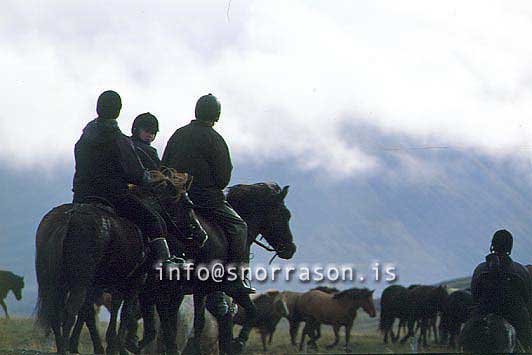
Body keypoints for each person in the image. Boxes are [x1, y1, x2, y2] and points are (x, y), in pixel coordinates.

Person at [72, 90, 186, 275]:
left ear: (98, 108)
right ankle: (165, 263)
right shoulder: (119, 139)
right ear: (118, 111)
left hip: (81, 196)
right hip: (113, 197)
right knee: (152, 219)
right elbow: (136, 174)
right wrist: (153, 179)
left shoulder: (84, 138)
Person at [162, 93, 255, 294]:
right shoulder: (215, 139)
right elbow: (223, 178)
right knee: (239, 227)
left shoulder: (178, 134)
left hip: (173, 199)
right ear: (216, 114)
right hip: (206, 200)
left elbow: (164, 165)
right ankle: (235, 278)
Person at [470, 229, 532, 350]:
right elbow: (526, 298)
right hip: (514, 318)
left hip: (483, 313)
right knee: (526, 335)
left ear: (493, 245)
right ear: (510, 247)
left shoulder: (480, 269)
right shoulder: (520, 271)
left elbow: (475, 295)